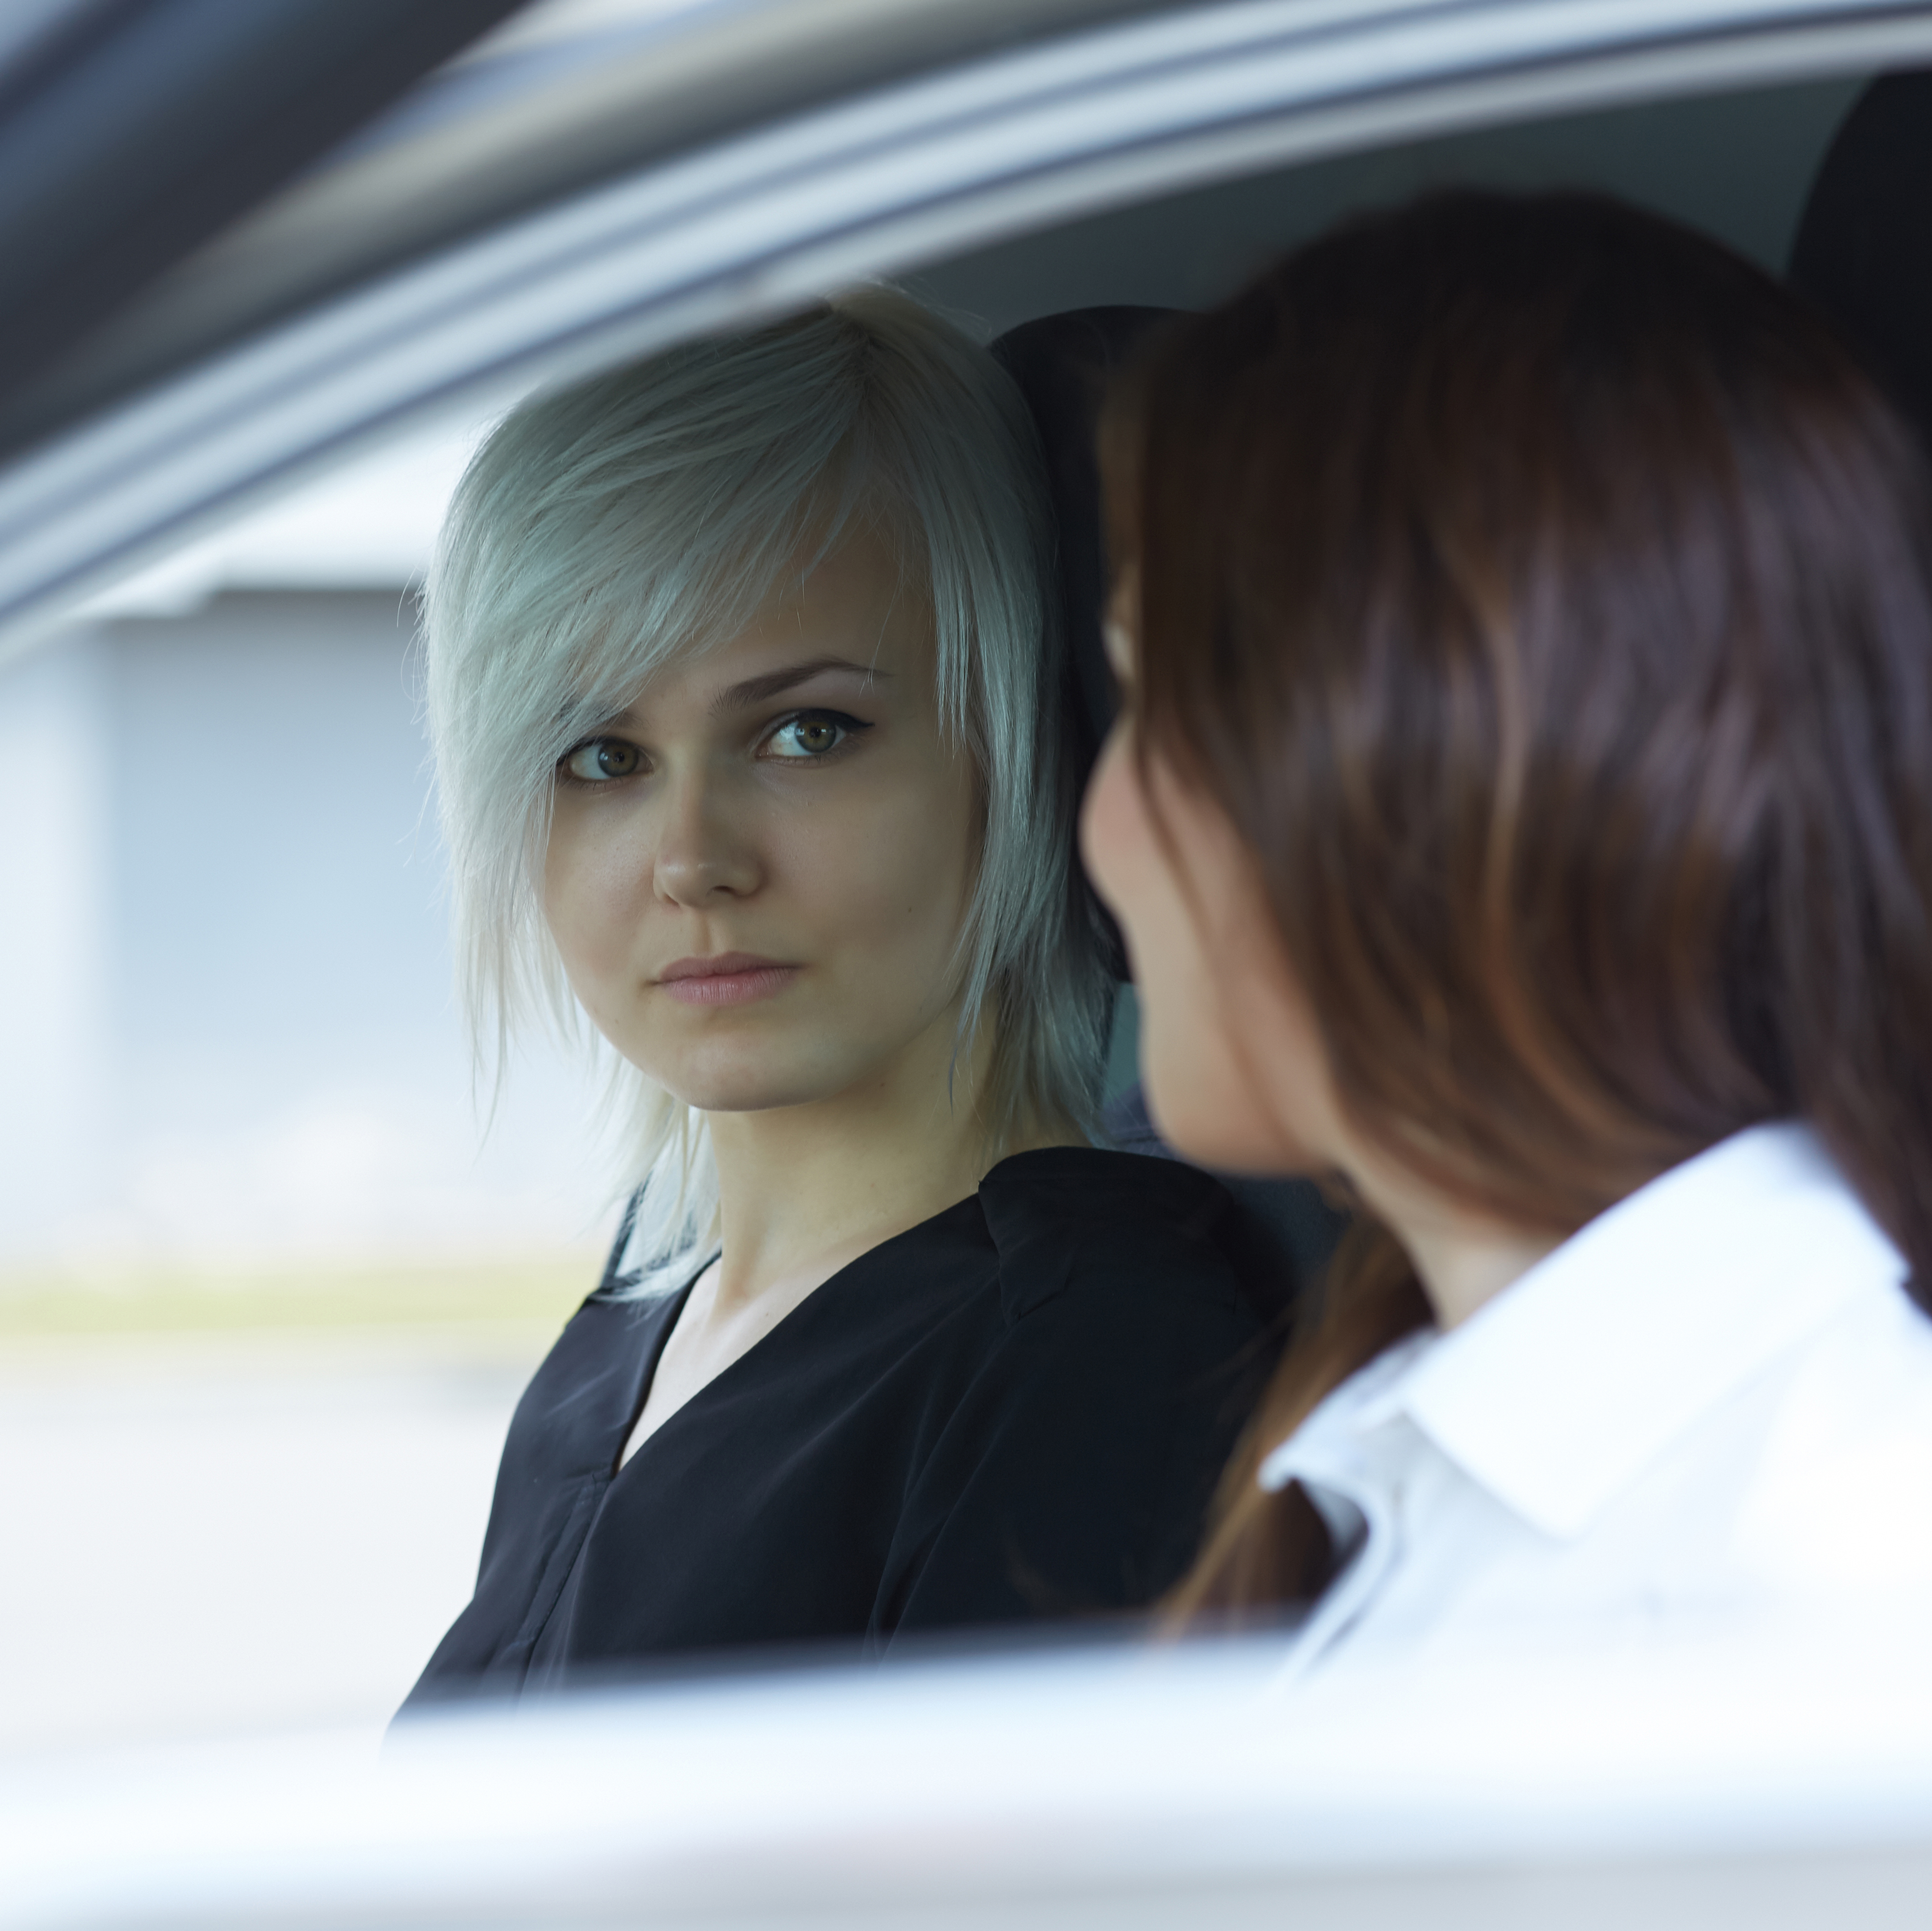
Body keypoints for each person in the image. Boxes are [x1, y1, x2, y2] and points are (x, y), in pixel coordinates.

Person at [1081, 191, 1932, 1668]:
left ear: (1406, 764)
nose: (1101, 827)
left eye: (1153, 706)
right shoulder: (1483, 1451)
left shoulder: (1882, 1585)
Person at [402, 289, 1278, 1704]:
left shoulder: (1096, 1362)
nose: (695, 859)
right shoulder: (626, 1337)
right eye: (602, 757)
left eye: (810, 733)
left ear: (1014, 746)